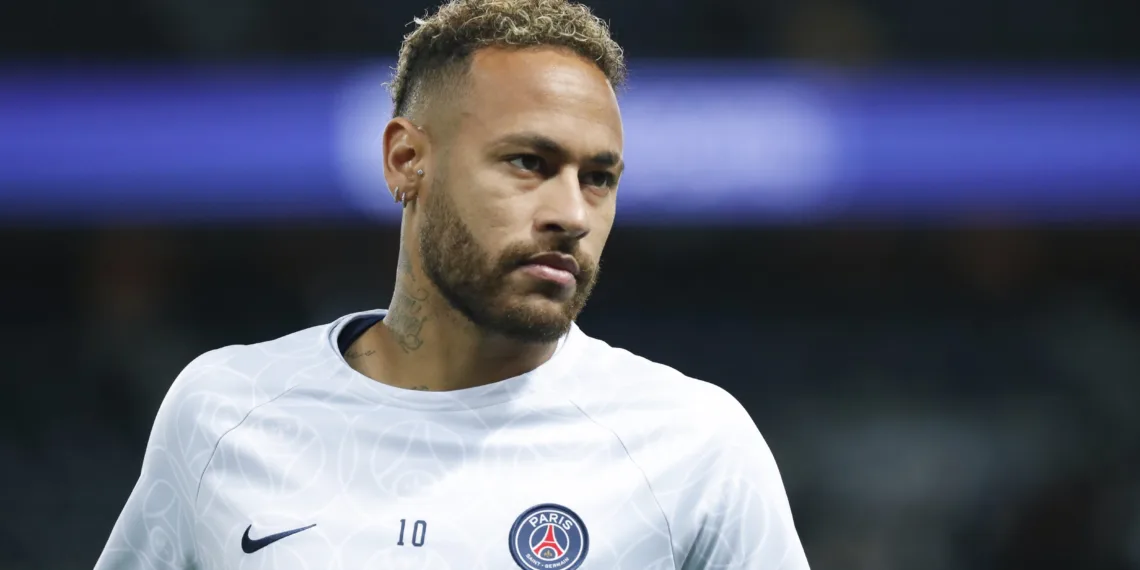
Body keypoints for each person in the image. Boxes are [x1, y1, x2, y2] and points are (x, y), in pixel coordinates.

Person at [94, 0, 811, 568]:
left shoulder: (693, 446)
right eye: (528, 162)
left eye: (599, 178)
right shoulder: (225, 411)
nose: (571, 214)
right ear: (407, 160)